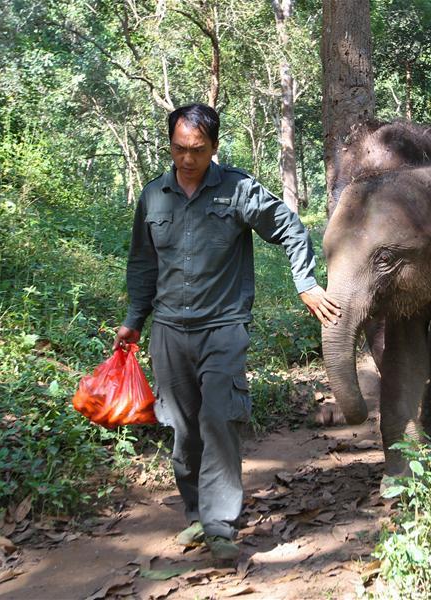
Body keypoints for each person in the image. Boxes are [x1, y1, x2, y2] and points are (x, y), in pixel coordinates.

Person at [114, 103, 340, 561]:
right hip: (169, 331)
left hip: (223, 327)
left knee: (218, 419)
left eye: (197, 149)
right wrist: (134, 321)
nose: (187, 159)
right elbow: (142, 264)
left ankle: (220, 525)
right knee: (181, 428)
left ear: (214, 147)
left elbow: (289, 227)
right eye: (179, 149)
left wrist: (306, 282)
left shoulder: (237, 190)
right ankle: (197, 515)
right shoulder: (153, 196)